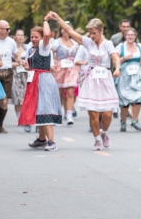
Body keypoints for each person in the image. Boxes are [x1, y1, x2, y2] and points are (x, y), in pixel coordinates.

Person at [48, 11, 121, 150]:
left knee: (107, 114)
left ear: (101, 31)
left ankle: (104, 132)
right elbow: (69, 30)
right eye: (90, 33)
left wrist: (117, 68)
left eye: (94, 33)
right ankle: (97, 139)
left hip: (105, 79)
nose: (92, 36)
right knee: (93, 113)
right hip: (91, 79)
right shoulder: (87, 43)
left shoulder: (108, 44)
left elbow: (115, 57)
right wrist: (57, 18)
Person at [19, 21, 62, 151]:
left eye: (36, 37)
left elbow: (47, 34)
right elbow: (32, 66)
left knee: (45, 108)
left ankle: (52, 142)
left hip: (44, 80)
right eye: (32, 37)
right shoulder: (32, 50)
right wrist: (28, 67)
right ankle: (42, 139)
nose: (33, 39)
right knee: (38, 108)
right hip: (35, 79)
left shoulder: (44, 47)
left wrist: (45, 21)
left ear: (42, 38)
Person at [0, 20, 24, 133]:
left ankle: (0, 125)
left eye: (9, 29)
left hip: (7, 72)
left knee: (4, 101)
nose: (9, 31)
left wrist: (20, 61)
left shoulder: (11, 42)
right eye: (6, 29)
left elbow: (16, 54)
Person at [115, 27, 141, 132]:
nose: (130, 37)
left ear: (135, 36)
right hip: (125, 74)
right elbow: (116, 60)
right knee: (124, 100)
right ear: (125, 36)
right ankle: (123, 122)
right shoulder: (121, 47)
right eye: (128, 35)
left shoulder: (139, 46)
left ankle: (135, 121)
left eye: (132, 35)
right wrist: (124, 58)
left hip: (137, 74)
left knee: (139, 97)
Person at [51, 21, 80, 125]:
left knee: (71, 92)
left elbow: (80, 55)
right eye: (62, 28)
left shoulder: (75, 43)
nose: (64, 30)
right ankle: (57, 114)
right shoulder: (56, 42)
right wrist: (52, 64)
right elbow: (50, 53)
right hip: (60, 68)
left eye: (66, 28)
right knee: (59, 93)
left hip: (72, 69)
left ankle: (69, 115)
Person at [11, 29, 30, 132]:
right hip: (15, 74)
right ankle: (19, 118)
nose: (20, 37)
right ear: (14, 36)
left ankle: (26, 116)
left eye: (22, 35)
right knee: (18, 97)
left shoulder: (27, 48)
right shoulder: (12, 48)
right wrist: (18, 63)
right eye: (18, 35)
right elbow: (7, 63)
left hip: (26, 75)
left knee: (26, 97)